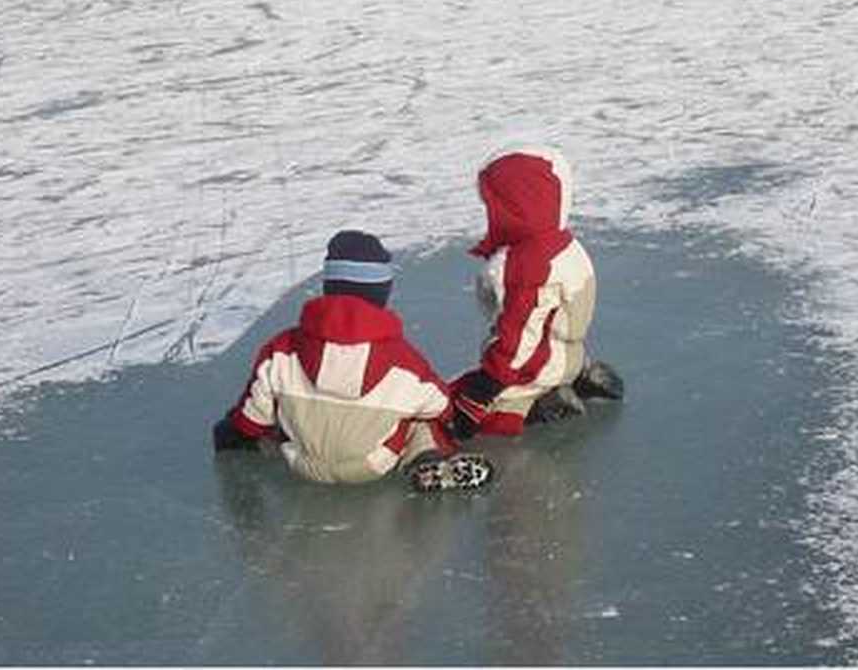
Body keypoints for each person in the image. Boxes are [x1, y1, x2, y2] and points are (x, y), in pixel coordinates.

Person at [212, 229, 494, 492]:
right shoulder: (402, 361)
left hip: (303, 464)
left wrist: (233, 433)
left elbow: (252, 417)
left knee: (279, 404)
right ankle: (425, 459)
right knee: (421, 420)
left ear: (329, 286)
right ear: (382, 293)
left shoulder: (283, 349)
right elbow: (440, 406)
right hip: (370, 465)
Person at [449, 145, 623, 439]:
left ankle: (540, 406)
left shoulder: (525, 264)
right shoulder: (566, 244)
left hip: (533, 366)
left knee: (460, 405)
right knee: (550, 350)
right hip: (572, 353)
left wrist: (485, 387)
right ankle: (580, 377)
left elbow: (519, 337)